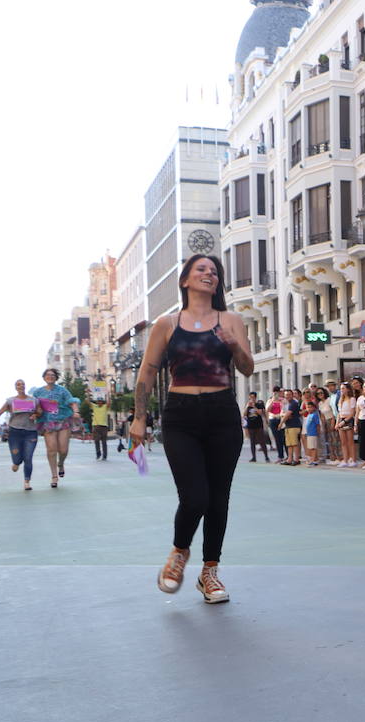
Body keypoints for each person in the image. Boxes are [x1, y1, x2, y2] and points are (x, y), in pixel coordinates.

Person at [131, 254, 253, 603]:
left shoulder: (231, 319)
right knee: (195, 496)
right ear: (185, 279)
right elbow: (148, 371)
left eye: (214, 272)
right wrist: (139, 418)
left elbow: (246, 367)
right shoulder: (166, 324)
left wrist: (231, 342)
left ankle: (209, 572)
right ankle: (178, 553)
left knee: (218, 499)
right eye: (201, 269)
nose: (209, 274)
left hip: (221, 414)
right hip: (180, 416)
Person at [31, 368, 78, 487]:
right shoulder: (38, 392)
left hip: (63, 421)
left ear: (56, 377)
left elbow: (72, 401)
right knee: (51, 449)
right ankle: (54, 476)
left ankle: (61, 463)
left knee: (63, 450)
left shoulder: (63, 390)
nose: (50, 376)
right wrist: (34, 413)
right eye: (47, 375)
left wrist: (76, 411)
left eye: (52, 375)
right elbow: (33, 406)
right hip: (47, 422)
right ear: (44, 377)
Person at [0, 380, 39, 491]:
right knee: (17, 458)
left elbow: (40, 411)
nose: (21, 386)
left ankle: (27, 481)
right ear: (15, 387)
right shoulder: (11, 400)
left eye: (22, 384)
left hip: (30, 432)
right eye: (18, 384)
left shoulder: (33, 400)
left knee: (28, 457)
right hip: (15, 432)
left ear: (25, 386)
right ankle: (16, 462)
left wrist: (36, 414)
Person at [335, 384, 358, 467]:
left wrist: (344, 422)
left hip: (348, 420)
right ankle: (345, 459)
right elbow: (339, 413)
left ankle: (353, 459)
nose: (342, 390)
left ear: (348, 389)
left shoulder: (352, 399)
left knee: (350, 441)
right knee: (343, 442)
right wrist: (337, 423)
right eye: (341, 388)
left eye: (343, 388)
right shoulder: (341, 400)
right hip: (341, 420)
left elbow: (352, 413)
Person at [244, 393, 270, 462]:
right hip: (250, 425)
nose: (251, 399)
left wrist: (254, 406)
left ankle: (266, 457)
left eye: (253, 397)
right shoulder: (248, 405)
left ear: (255, 397)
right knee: (252, 442)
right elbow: (244, 415)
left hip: (258, 425)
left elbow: (260, 413)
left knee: (262, 441)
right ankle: (253, 457)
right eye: (250, 397)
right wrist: (247, 407)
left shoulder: (259, 404)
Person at [281, 387, 303, 466]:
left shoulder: (294, 403)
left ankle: (296, 459)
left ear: (292, 395)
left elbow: (288, 414)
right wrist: (284, 415)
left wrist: (281, 423)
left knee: (295, 443)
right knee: (289, 444)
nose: (288, 396)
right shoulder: (287, 403)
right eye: (286, 395)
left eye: (289, 395)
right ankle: (289, 459)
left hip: (294, 425)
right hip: (288, 426)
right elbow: (283, 413)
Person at [266, 387, 286, 462]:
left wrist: (280, 401)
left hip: (281, 419)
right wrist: (273, 401)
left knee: (283, 438)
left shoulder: (283, 400)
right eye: (275, 392)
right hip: (273, 419)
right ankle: (280, 456)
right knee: (277, 438)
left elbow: (284, 409)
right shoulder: (270, 400)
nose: (276, 393)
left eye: (278, 392)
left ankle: (288, 455)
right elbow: (267, 410)